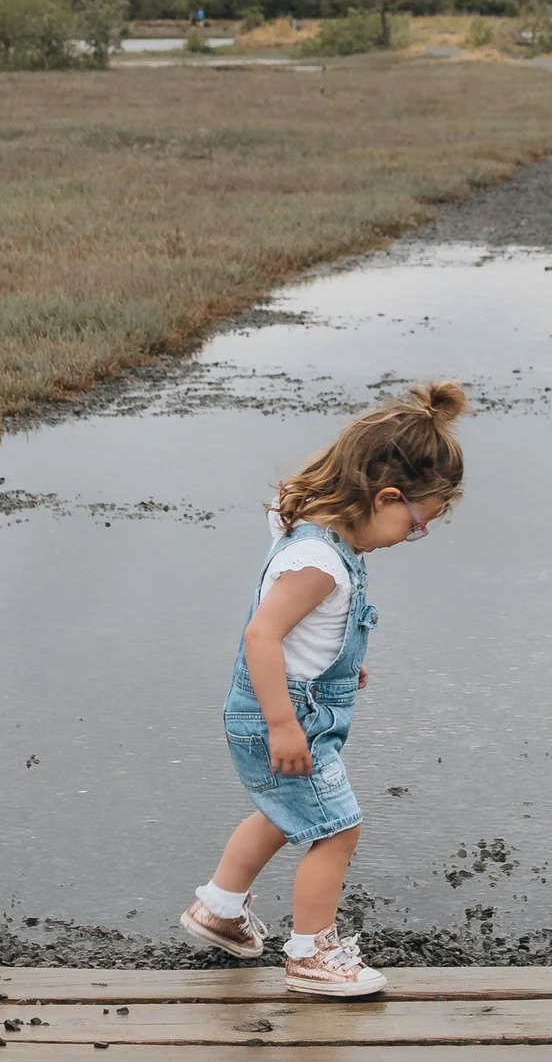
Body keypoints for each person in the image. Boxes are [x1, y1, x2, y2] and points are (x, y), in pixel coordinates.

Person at [181, 380, 467, 1000]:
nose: (412, 537)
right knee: (338, 827)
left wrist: (339, 662)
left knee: (286, 812)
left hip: (290, 704)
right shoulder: (321, 562)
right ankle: (311, 953)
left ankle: (220, 909)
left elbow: (302, 635)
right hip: (283, 715)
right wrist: (284, 725)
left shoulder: (319, 535)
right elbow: (262, 636)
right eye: (416, 524)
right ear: (387, 496)